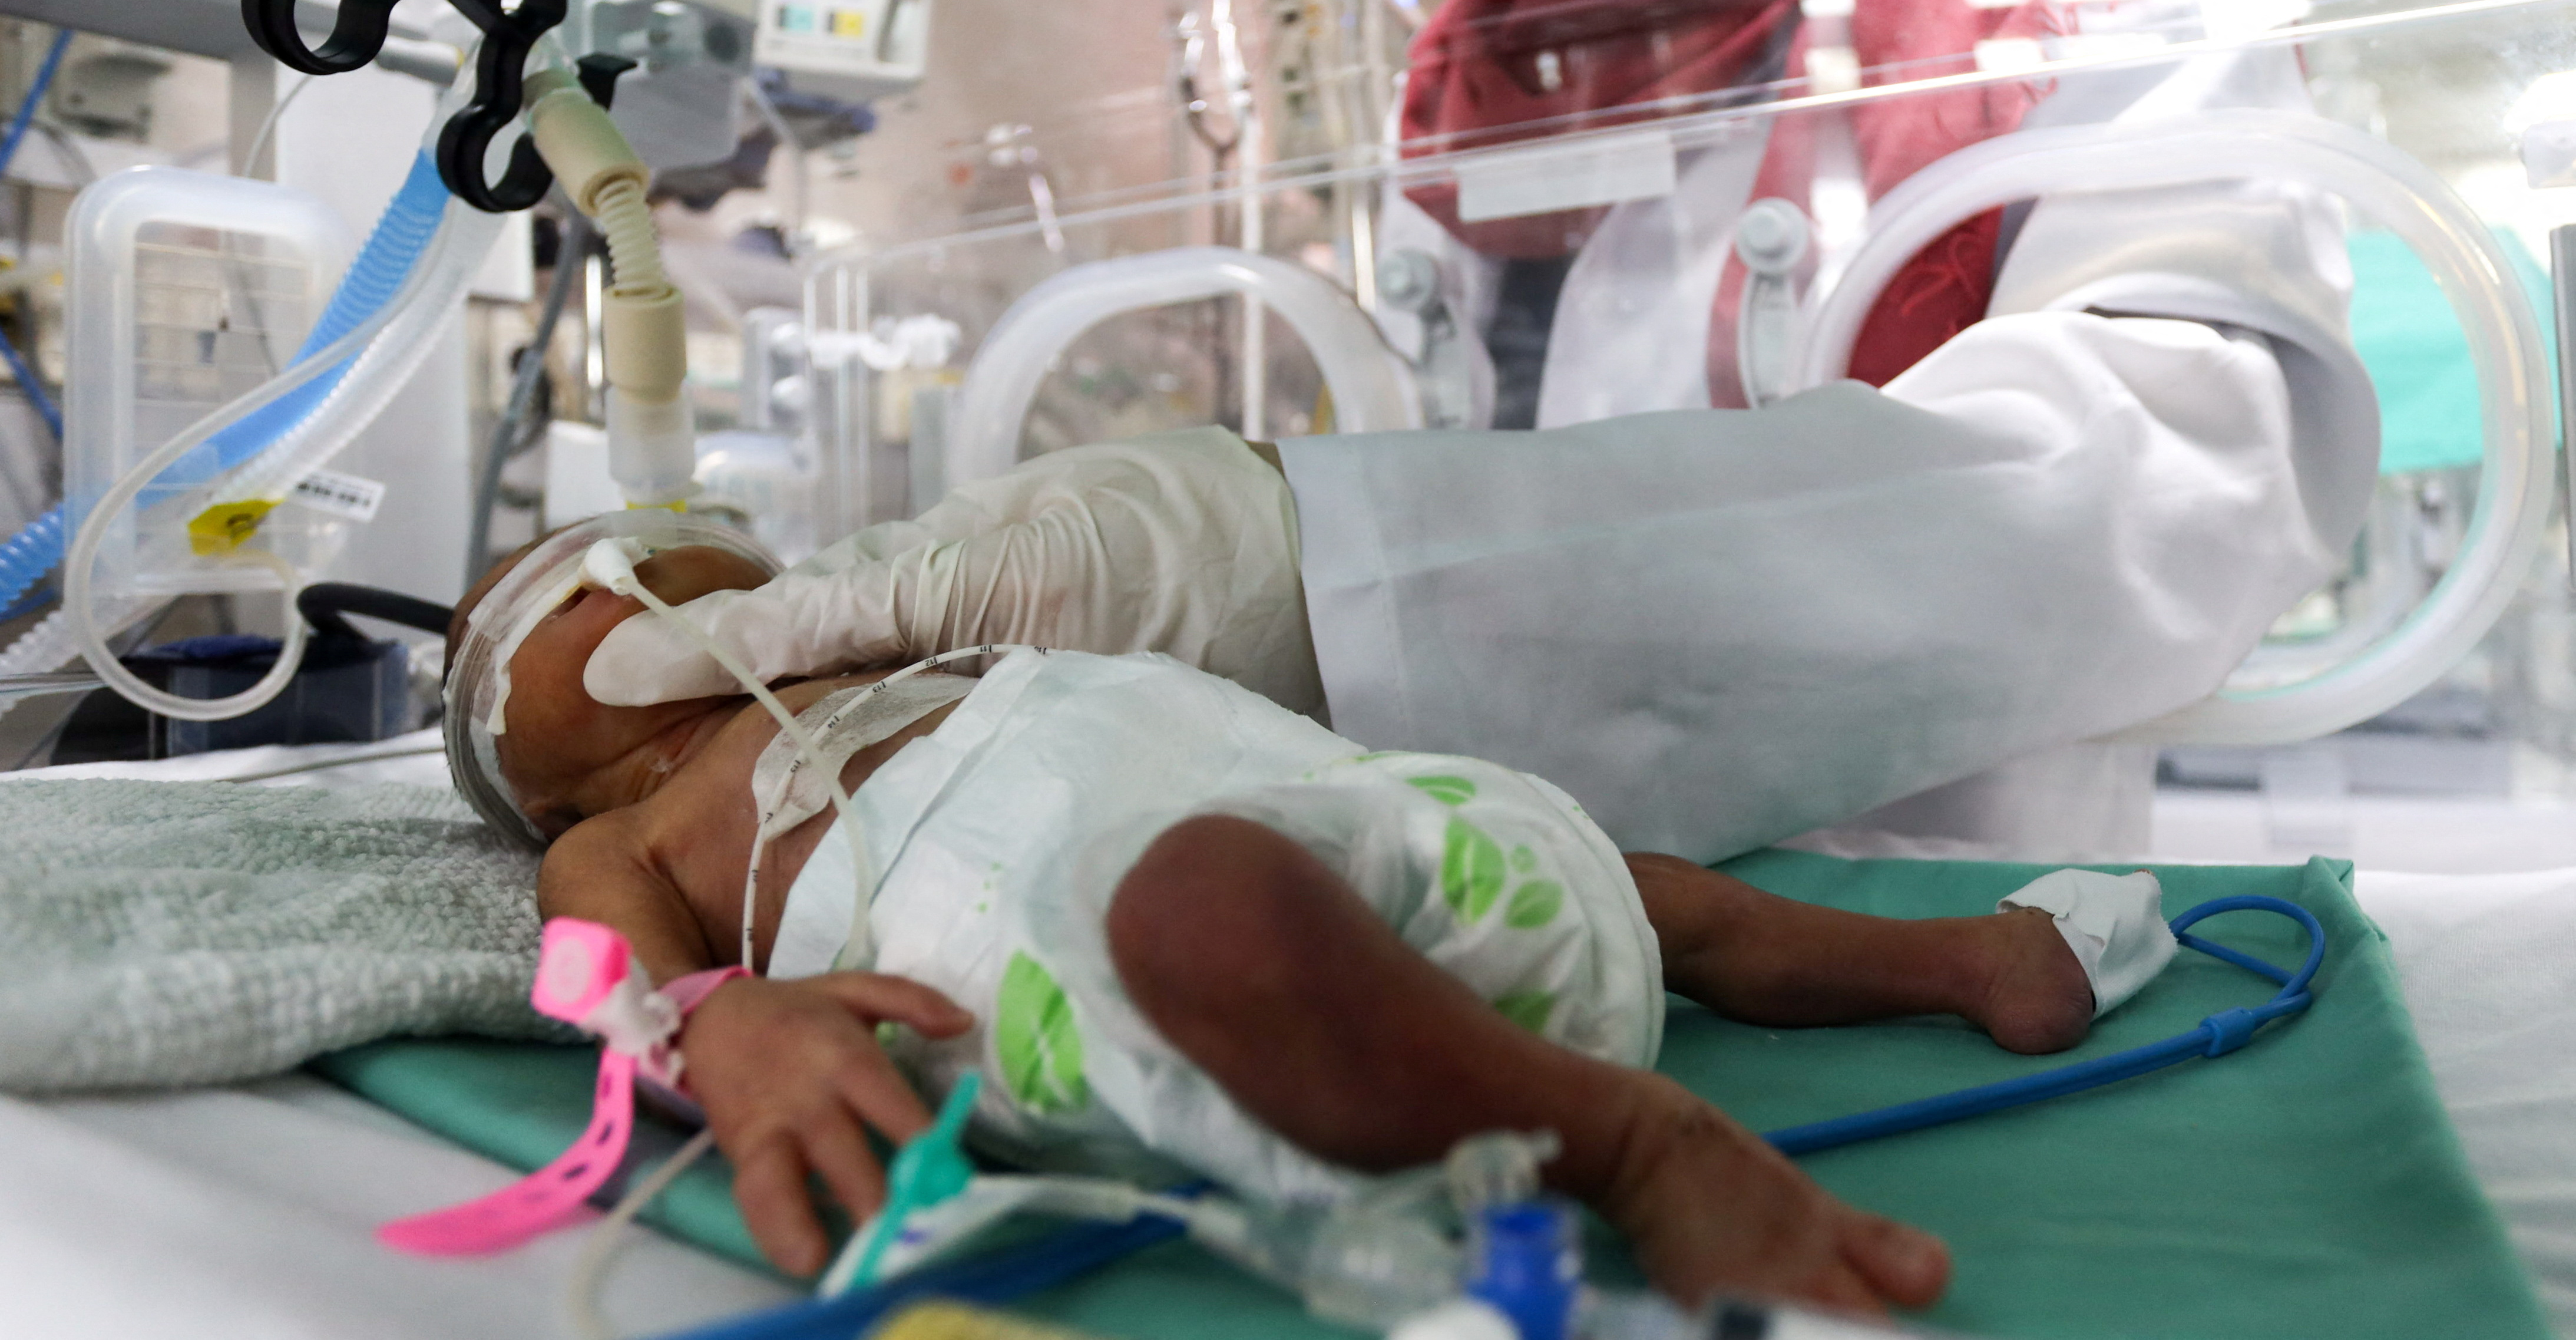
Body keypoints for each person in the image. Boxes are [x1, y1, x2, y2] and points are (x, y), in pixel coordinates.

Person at [580, 0, 2379, 866]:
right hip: (1557, 910)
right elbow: (1443, 454)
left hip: (1968, 904)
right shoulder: (1480, 79)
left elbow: (2195, 463)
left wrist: (1351, 576)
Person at [481, 533, 2170, 1315]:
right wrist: (728, 1021)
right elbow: (595, 969)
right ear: (539, 783)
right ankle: (1642, 1148)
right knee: (1208, 914)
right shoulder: (626, 835)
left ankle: (1966, 958)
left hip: (1403, 858)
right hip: (1174, 994)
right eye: (559, 591)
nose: (620, 569)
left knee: (1629, 883)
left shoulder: (902, 635)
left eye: (645, 552)